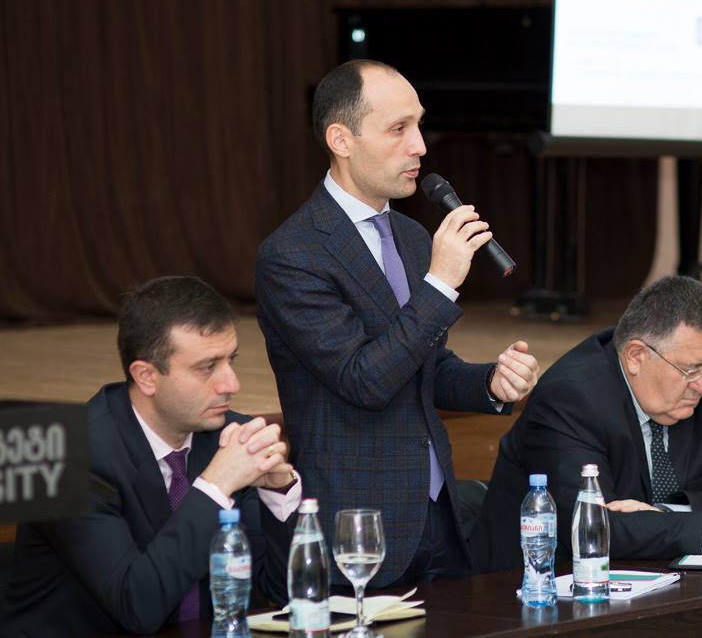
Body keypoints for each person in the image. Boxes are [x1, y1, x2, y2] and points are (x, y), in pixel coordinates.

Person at [254, 59, 540, 586]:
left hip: (438, 515)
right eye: (398, 129)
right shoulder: (293, 254)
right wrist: (441, 283)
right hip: (357, 524)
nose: (420, 146)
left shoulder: (410, 237)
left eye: (419, 125)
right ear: (341, 140)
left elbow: (425, 367)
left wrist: (489, 383)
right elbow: (364, 379)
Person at [2, 276, 300, 636]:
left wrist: (277, 492)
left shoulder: (227, 436)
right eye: (207, 367)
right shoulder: (59, 455)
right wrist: (215, 486)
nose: (231, 384)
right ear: (146, 376)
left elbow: (282, 593)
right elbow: (137, 607)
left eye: (230, 361)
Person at [471, 275, 702, 572]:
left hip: (657, 581)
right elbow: (594, 528)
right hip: (531, 589)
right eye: (691, 369)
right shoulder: (572, 398)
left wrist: (663, 515)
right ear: (636, 356)